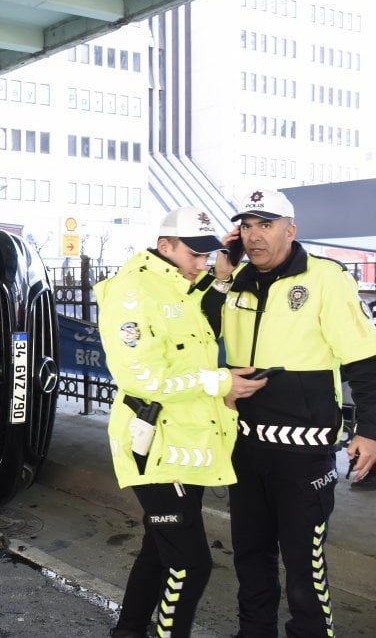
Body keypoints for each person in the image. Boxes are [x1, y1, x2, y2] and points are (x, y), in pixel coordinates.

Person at [95, 207, 265, 637]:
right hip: (154, 445)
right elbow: (141, 376)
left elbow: (203, 318)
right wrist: (219, 381)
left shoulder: (179, 286)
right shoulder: (132, 292)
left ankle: (128, 631)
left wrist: (224, 273)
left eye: (208, 254)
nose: (202, 263)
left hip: (186, 443)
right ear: (165, 246)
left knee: (159, 550)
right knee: (190, 564)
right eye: (196, 253)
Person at [220, 189, 376, 637]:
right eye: (246, 226)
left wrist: (369, 428)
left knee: (304, 564)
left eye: (265, 225)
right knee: (250, 555)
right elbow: (196, 326)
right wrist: (222, 269)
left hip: (302, 452)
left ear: (291, 230)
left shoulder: (325, 279)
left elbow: (364, 359)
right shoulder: (238, 284)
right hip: (245, 446)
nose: (254, 236)